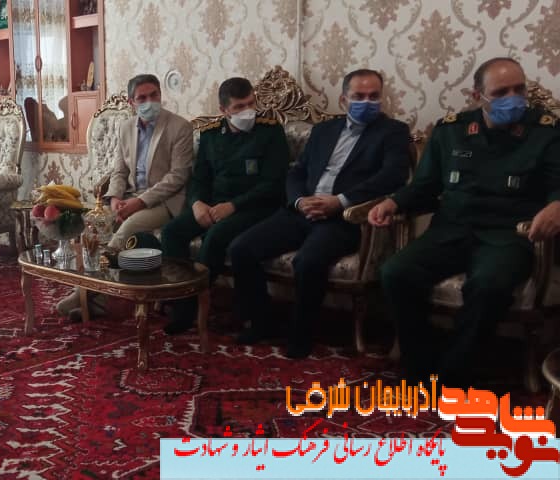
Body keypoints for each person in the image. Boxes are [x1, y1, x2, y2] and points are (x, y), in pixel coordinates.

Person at [370, 57, 560, 385]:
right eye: (501, 92)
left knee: (487, 286)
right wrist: (393, 202)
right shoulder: (451, 130)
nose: (513, 98)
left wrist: (557, 204)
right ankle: (419, 363)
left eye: (519, 90)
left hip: (508, 236)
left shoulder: (546, 132)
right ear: (477, 96)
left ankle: (452, 375)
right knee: (395, 272)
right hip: (451, 230)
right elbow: (425, 186)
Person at [228, 68, 410, 358]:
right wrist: (299, 201)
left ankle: (300, 335)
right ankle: (262, 322)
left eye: (373, 96)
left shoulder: (394, 132)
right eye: (359, 96)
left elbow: (392, 177)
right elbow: (297, 171)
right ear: (344, 100)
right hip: (302, 210)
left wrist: (340, 201)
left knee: (308, 261)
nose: (367, 102)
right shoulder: (324, 130)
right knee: (241, 248)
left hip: (345, 218)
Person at [55, 73, 194, 318]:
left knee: (126, 229)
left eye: (154, 95)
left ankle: (84, 293)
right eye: (142, 98)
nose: (149, 101)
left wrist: (139, 202)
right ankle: (97, 302)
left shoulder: (179, 127)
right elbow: (119, 171)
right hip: (129, 197)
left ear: (160, 95)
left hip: (164, 201)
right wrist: (115, 199)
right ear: (131, 102)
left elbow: (178, 176)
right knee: (96, 227)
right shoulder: (126, 127)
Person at [160, 78, 290, 335]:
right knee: (172, 232)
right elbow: (200, 178)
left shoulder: (270, 131)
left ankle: (193, 306)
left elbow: (273, 184)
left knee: (216, 237)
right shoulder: (210, 134)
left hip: (254, 207)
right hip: (213, 205)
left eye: (251, 103)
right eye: (239, 107)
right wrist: (197, 203)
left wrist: (233, 205)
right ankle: (179, 302)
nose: (248, 111)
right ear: (223, 110)